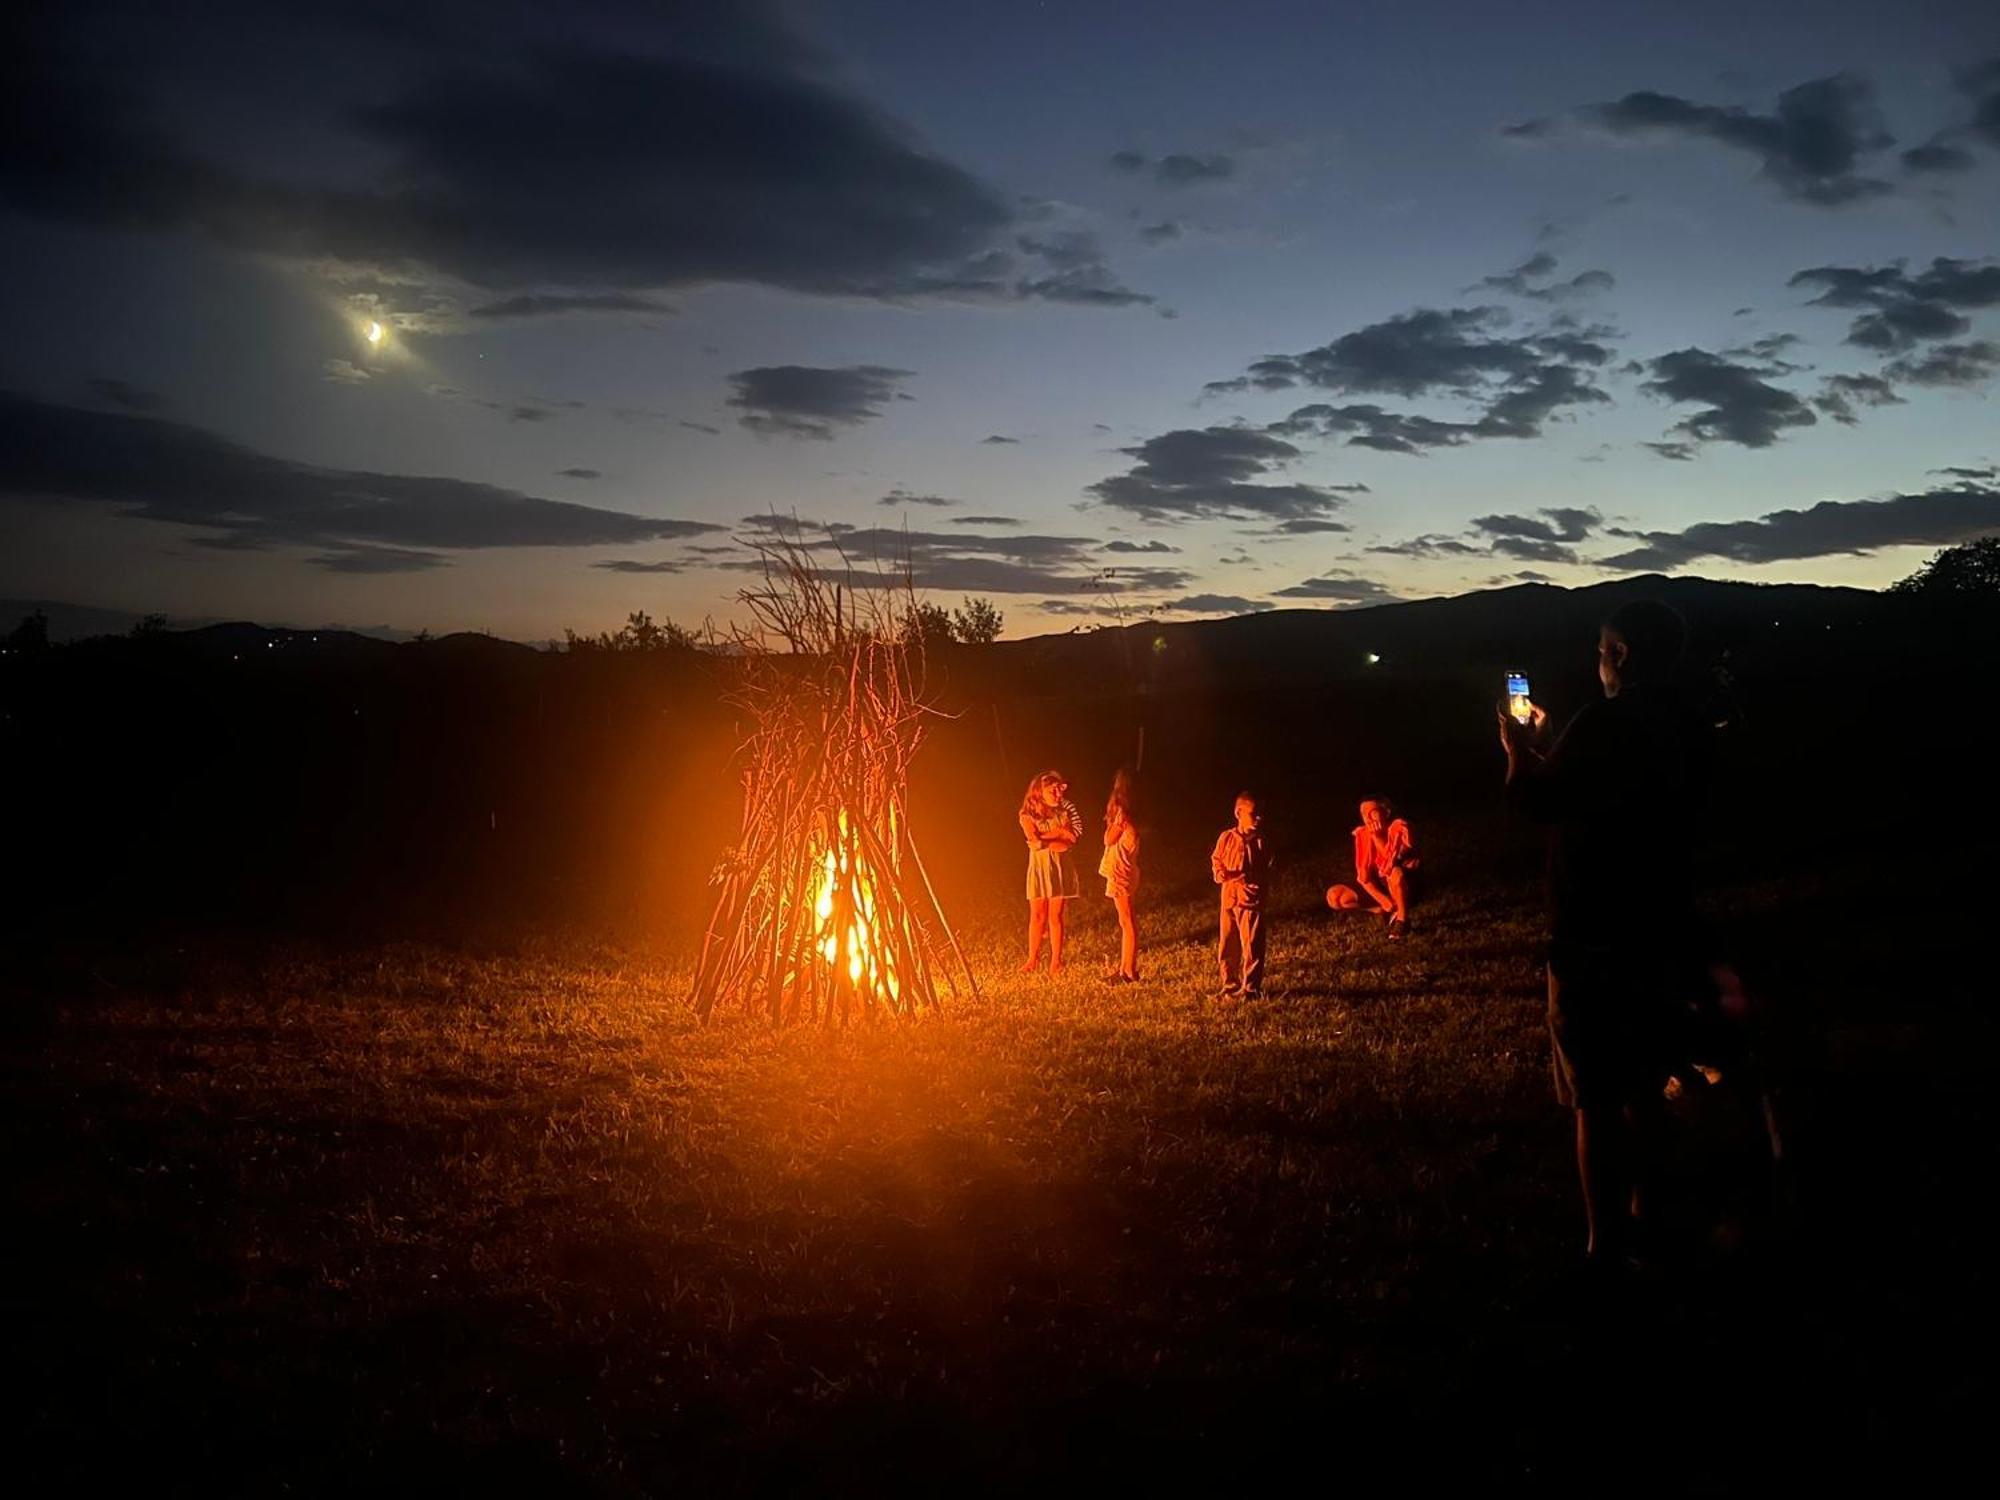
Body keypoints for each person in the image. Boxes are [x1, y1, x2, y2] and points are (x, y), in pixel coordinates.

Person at [1500, 599, 1710, 1268]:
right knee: (1647, 1081)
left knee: (1595, 1095)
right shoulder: (1686, 720)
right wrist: (1562, 745)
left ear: (1619, 654)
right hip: (1662, 924)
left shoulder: (1607, 720)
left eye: (1600, 650)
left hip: (1593, 933)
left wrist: (1520, 753)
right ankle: (1653, 1213)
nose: (1597, 662)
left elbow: (1536, 803)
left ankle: (1605, 1244)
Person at [1210, 791, 1273, 1000]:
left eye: (1260, 814)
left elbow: (1267, 867)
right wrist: (1219, 872)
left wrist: (1251, 880)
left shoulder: (1260, 842)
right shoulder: (1226, 837)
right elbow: (1217, 858)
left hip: (1249, 900)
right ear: (1238, 813)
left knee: (1252, 945)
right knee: (1228, 943)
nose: (1258, 818)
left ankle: (1250, 989)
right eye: (1253, 814)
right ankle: (1229, 985)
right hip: (1229, 898)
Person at [1019, 770, 1082, 974]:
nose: (1057, 793)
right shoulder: (1027, 815)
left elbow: (1070, 841)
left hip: (1059, 867)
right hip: (1039, 868)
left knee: (1056, 916)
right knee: (1037, 915)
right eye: (1052, 790)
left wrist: (1049, 837)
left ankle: (1056, 961)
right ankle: (1032, 959)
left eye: (1059, 789)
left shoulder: (1065, 810)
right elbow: (1034, 843)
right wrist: (1059, 833)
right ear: (1039, 792)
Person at [1353, 797, 1417, 938]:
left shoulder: (1400, 828)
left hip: (1406, 885)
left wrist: (1377, 837)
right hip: (1383, 887)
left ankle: (1402, 920)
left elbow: (1390, 862)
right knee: (1334, 896)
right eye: (1364, 813)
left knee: (1395, 873)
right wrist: (1384, 900)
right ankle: (1386, 909)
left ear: (1386, 812)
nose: (1368, 818)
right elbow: (1363, 875)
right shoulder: (1362, 834)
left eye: (1373, 812)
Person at [1099, 768, 1141, 983]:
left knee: (1127, 921)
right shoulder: (1130, 814)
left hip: (1120, 869)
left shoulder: (1122, 816)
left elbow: (1108, 839)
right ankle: (1125, 968)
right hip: (1126, 867)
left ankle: (1129, 971)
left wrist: (1113, 821)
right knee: (1126, 921)